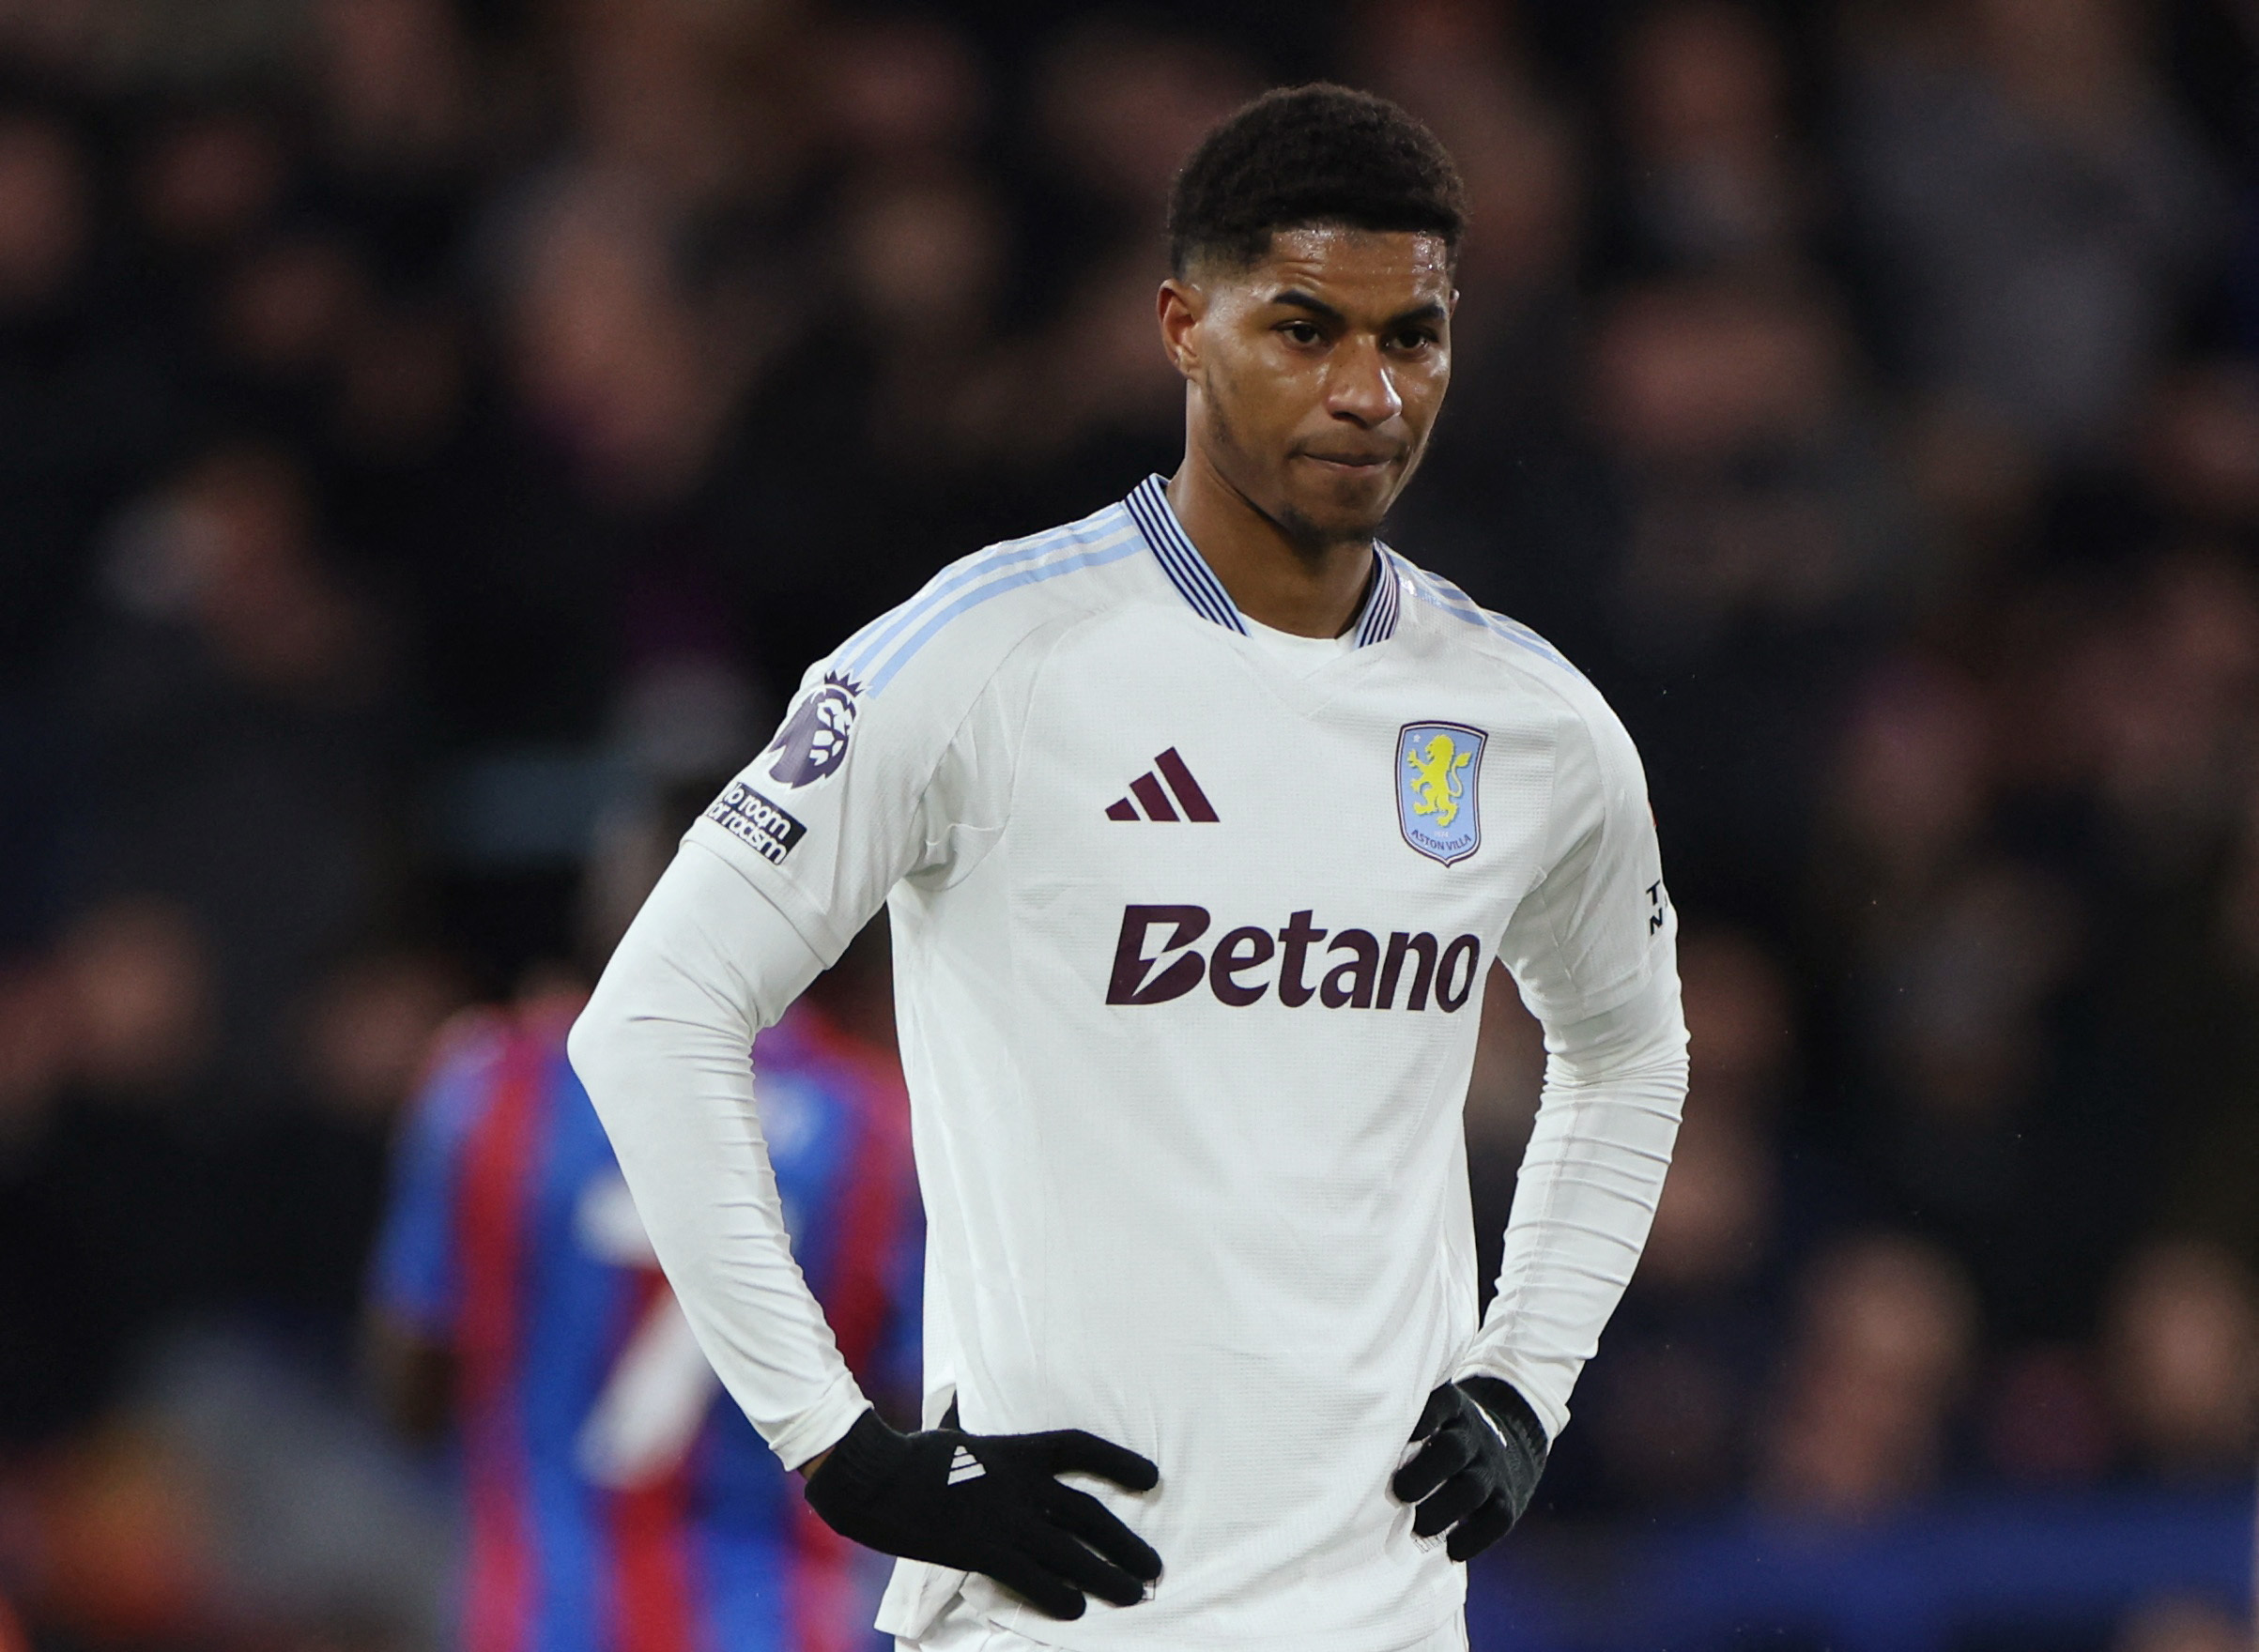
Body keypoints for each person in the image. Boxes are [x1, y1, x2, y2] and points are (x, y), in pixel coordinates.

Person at [569, 84, 1687, 1651]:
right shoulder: (981, 657)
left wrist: (1526, 1374)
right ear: (1180, 326)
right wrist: (842, 1449)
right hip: (1054, 1621)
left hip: (1384, 1618)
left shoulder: (1528, 721)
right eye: (1303, 329)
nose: (1368, 391)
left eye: (1411, 337)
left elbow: (1630, 1049)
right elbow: (651, 1019)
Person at [367, 968, 919, 1652]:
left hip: (541, 1620)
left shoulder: (488, 1086)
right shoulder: (875, 1121)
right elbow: (914, 1422)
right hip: (783, 1624)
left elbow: (407, 1395)